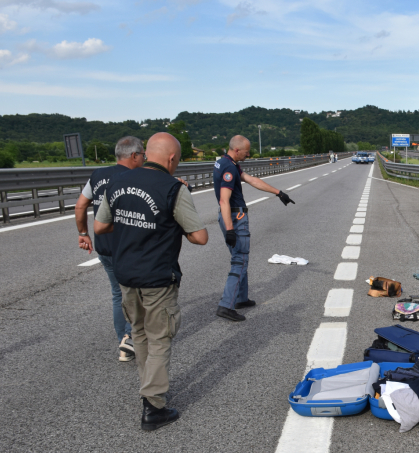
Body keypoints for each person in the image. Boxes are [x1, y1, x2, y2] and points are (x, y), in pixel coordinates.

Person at [93, 133, 208, 431]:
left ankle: (149, 387)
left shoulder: (117, 181)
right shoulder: (173, 188)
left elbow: (101, 225)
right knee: (160, 338)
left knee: (139, 333)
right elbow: (200, 237)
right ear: (171, 159)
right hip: (157, 276)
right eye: (178, 160)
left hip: (125, 274)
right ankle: (153, 406)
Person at [74, 136, 145, 362]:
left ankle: (124, 343)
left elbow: (80, 205)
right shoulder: (137, 177)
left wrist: (83, 233)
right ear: (134, 155)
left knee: (118, 293)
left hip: (104, 246)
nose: (144, 159)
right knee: (140, 294)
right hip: (130, 246)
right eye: (143, 155)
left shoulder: (96, 175)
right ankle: (138, 339)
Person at [213, 135, 295, 322]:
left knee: (241, 258)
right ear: (236, 150)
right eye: (246, 151)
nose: (249, 154)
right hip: (235, 216)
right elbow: (224, 200)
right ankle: (226, 305)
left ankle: (241, 298)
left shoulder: (227, 162)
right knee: (239, 261)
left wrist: (278, 192)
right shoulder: (228, 168)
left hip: (232, 215)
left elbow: (251, 180)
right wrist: (230, 229)